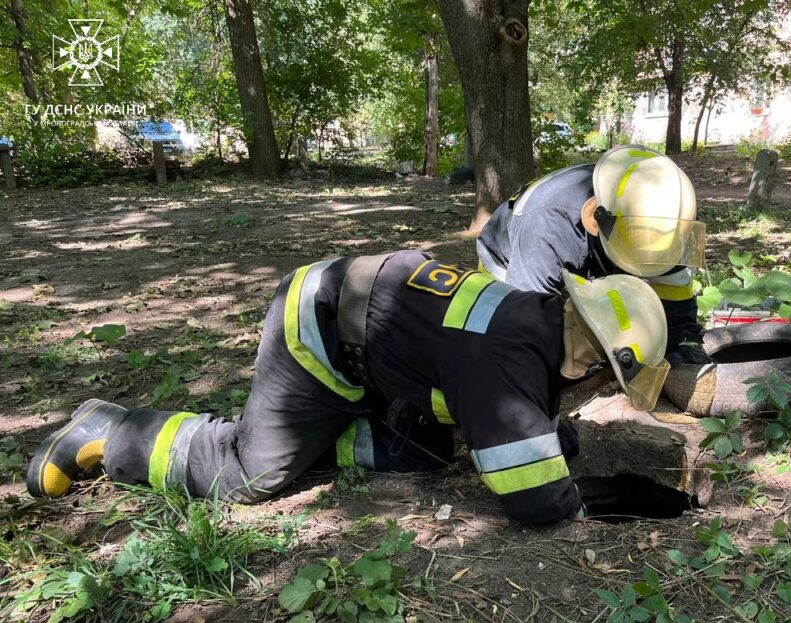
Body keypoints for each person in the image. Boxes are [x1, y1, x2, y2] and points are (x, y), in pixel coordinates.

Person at [26, 251, 669, 526]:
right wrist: (587, 496)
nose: (594, 389)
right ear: (590, 355)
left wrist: (546, 439)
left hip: (375, 345)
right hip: (320, 331)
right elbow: (537, 504)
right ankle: (111, 430)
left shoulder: (535, 320)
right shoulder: (502, 360)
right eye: (605, 378)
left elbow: (514, 410)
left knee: (424, 451)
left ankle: (319, 435)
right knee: (249, 473)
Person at [476, 144, 710, 365]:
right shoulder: (548, 226)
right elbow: (529, 317)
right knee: (514, 342)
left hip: (592, 247)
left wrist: (684, 340)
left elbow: (676, 293)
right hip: (506, 259)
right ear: (595, 217)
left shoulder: (665, 222)